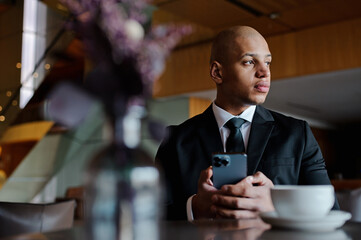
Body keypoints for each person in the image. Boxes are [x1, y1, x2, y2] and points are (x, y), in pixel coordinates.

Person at [155, 26, 339, 221]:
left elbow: (329, 211)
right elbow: (149, 217)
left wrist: (277, 207)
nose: (264, 72)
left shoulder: (297, 134)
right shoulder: (174, 140)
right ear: (217, 72)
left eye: (267, 62)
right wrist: (194, 208)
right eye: (249, 61)